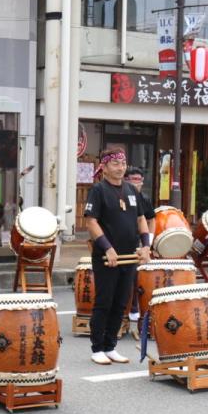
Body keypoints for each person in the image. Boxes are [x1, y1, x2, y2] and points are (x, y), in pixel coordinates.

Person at [83, 149, 151, 365]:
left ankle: (111, 346)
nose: (120, 168)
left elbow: (141, 219)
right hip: (107, 256)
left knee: (121, 302)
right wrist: (107, 247)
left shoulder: (131, 190)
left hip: (129, 256)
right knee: (104, 301)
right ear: (104, 167)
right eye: (115, 164)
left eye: (123, 163)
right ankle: (97, 348)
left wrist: (146, 246)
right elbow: (91, 222)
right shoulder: (98, 190)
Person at [124, 166, 155, 323]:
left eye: (139, 181)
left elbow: (150, 219)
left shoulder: (144, 198)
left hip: (138, 242)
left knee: (137, 276)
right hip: (118, 242)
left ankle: (135, 308)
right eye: (132, 180)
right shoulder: (119, 195)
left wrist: (148, 242)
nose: (136, 184)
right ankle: (124, 309)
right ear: (125, 180)